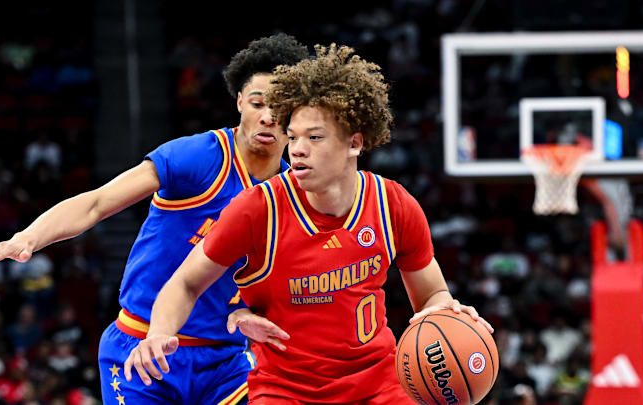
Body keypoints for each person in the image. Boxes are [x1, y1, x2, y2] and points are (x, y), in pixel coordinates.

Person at [125, 44, 493, 404]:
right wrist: (158, 334)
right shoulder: (257, 209)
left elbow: (431, 296)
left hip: (377, 384)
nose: (297, 149)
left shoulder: (392, 204)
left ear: (354, 143)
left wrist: (446, 312)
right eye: (293, 136)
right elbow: (186, 282)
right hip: (286, 390)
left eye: (314, 138)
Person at [0, 33, 309, 405]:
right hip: (143, 348)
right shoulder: (197, 157)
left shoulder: (295, 190)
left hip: (226, 362)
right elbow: (97, 203)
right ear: (240, 101)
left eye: (279, 106)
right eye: (258, 103)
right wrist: (29, 238)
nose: (267, 116)